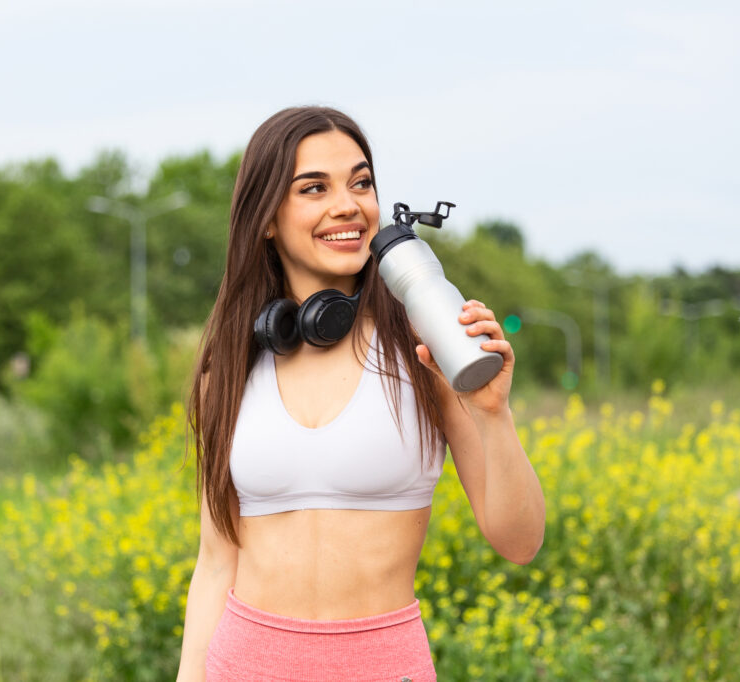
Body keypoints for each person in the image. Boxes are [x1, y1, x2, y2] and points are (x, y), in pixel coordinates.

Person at [176, 106, 545, 682]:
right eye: (313, 188)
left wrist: (493, 414)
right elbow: (215, 564)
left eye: (361, 182)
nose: (348, 204)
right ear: (267, 218)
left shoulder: (427, 349)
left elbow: (519, 543)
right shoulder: (226, 371)